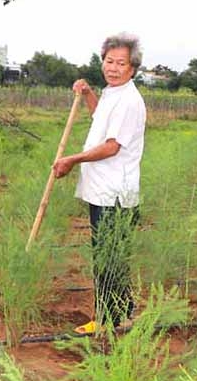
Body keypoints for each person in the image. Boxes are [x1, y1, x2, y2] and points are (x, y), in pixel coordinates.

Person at [52, 33, 147, 329]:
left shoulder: (129, 101)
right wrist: (89, 93)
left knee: (108, 259)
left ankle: (106, 320)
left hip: (114, 194)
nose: (113, 68)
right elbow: (100, 117)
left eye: (121, 63)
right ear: (102, 61)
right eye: (109, 61)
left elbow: (112, 146)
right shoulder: (112, 93)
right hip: (104, 191)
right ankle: (125, 310)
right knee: (112, 256)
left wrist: (72, 160)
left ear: (132, 68)